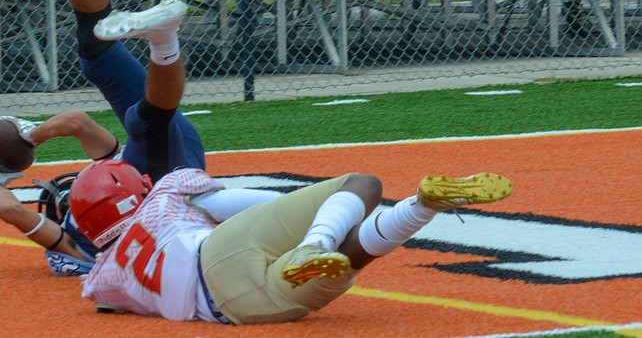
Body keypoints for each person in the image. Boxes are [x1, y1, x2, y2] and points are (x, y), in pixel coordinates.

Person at [0, 0, 282, 277]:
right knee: (145, 123)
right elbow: (9, 210)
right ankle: (164, 40)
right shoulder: (84, 247)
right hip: (177, 187)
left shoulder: (113, 183)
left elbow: (76, 122)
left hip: (165, 166)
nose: (92, 182)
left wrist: (26, 140)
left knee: (97, 56)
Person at [71, 160, 513, 324]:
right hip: (215, 250)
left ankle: (420, 208)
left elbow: (107, 296)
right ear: (135, 190)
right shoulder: (165, 195)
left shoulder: (103, 281)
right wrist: (307, 218)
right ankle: (419, 206)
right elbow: (242, 201)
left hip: (239, 311)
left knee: (346, 260)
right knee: (361, 186)